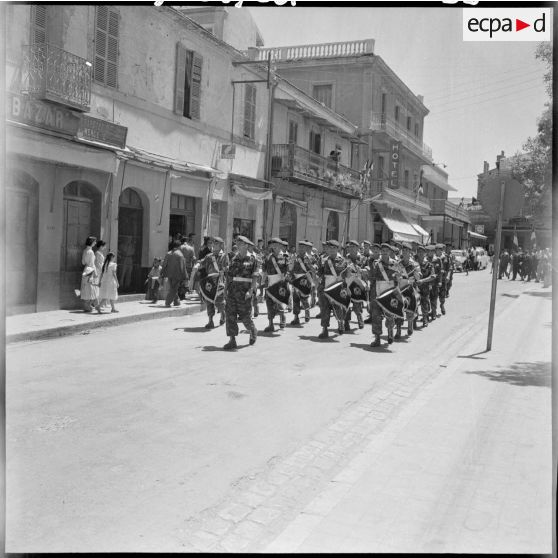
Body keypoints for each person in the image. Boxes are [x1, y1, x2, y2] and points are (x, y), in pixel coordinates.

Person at [223, 235, 258, 350]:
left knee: (245, 317)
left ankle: (252, 330)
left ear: (246, 245)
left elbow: (255, 277)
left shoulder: (253, 258)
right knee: (230, 316)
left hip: (245, 292)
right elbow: (229, 276)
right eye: (237, 243)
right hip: (232, 292)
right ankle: (232, 340)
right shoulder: (233, 258)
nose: (237, 245)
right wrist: (225, 290)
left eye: (240, 243)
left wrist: (251, 291)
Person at [369, 243, 401, 347]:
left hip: (390, 292)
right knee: (376, 315)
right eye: (382, 250)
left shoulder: (395, 264)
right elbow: (372, 277)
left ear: (390, 252)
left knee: (390, 314)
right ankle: (377, 338)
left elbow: (399, 278)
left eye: (386, 250)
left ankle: (390, 332)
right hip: (377, 291)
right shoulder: (375, 263)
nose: (384, 252)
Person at [317, 239, 349, 339]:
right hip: (325, 287)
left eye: (333, 248)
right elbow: (320, 274)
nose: (331, 250)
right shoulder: (323, 260)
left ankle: (340, 322)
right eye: (329, 248)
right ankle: (325, 330)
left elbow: (347, 275)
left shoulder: (343, 261)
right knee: (324, 309)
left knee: (338, 308)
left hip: (337, 287)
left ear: (337, 249)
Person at [198, 236, 229, 329]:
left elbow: (227, 268)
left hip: (220, 281)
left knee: (219, 301)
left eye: (216, 243)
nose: (213, 245)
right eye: (212, 243)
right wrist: (198, 264)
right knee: (209, 300)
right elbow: (202, 264)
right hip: (210, 281)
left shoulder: (224, 256)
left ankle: (223, 314)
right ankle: (210, 320)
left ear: (221, 245)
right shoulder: (208, 256)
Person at [262, 237, 290, 333]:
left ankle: (282, 317)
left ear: (280, 246)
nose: (274, 246)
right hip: (270, 282)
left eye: (276, 245)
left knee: (279, 301)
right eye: (273, 245)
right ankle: (271, 324)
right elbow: (265, 270)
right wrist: (262, 280)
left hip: (280, 282)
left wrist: (285, 280)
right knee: (269, 303)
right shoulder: (268, 257)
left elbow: (289, 269)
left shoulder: (285, 256)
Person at [395, 242, 420, 338]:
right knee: (398, 310)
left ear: (410, 252)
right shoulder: (398, 264)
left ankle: (410, 325)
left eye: (407, 250)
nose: (405, 252)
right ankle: (398, 330)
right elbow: (394, 276)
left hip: (410, 289)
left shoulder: (415, 264)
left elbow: (418, 277)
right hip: (400, 288)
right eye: (403, 250)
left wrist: (416, 275)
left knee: (410, 309)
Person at [288, 240, 316, 326]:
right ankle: (296, 317)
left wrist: (313, 282)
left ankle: (307, 311)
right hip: (296, 279)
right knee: (295, 298)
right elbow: (290, 269)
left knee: (304, 297)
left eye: (303, 247)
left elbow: (314, 270)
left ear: (306, 248)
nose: (301, 249)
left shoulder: (310, 258)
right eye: (300, 247)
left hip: (305, 279)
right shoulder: (294, 257)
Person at [344, 239, 366, 330]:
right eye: (350, 247)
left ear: (357, 248)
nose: (352, 248)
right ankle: (346, 322)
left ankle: (359, 317)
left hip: (358, 283)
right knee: (347, 303)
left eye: (354, 247)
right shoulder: (346, 258)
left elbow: (367, 269)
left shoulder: (363, 258)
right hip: (348, 283)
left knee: (357, 304)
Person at [160, 240, 188, 307]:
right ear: (179, 246)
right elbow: (182, 266)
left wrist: (162, 272)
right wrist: (185, 276)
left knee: (173, 287)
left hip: (169, 274)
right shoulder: (180, 254)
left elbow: (164, 264)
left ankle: (176, 302)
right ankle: (168, 302)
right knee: (174, 289)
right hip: (177, 275)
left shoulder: (168, 253)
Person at [79, 236, 101, 313]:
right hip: (90, 270)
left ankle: (88, 306)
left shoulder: (85, 250)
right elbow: (92, 264)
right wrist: (95, 272)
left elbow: (83, 262)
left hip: (86, 270)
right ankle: (93, 307)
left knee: (87, 288)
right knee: (92, 289)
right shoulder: (91, 252)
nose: (95, 243)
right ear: (91, 242)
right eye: (94, 241)